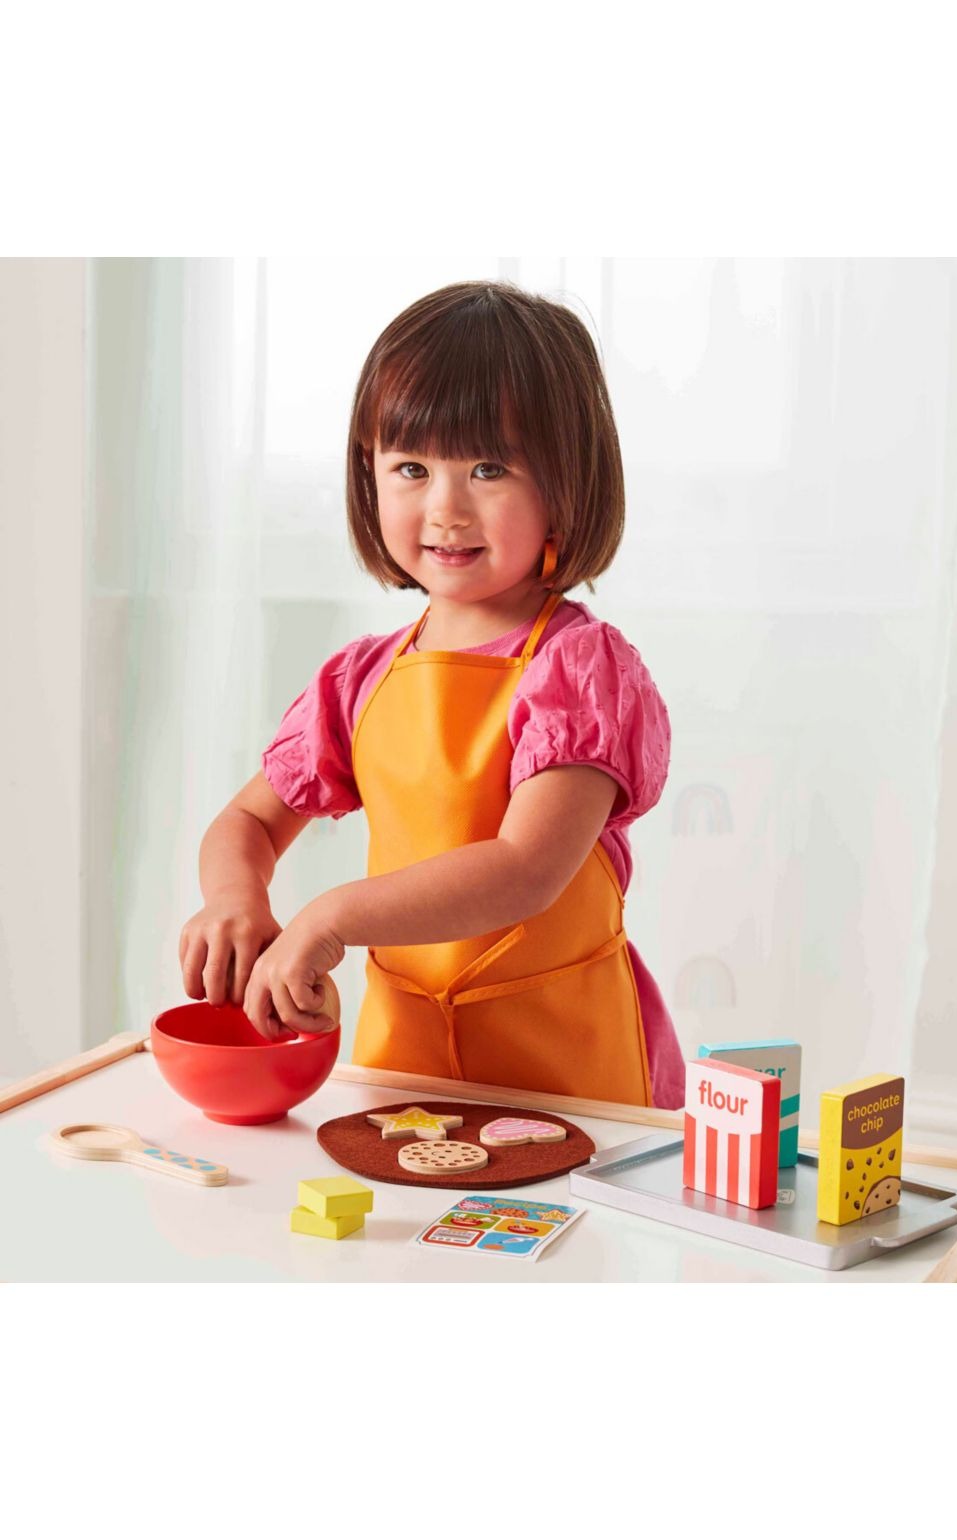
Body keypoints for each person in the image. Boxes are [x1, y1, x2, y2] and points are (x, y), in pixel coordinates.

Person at [179, 279, 686, 1108]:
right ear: (368, 476)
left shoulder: (580, 671)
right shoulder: (359, 679)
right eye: (411, 467)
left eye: (489, 467)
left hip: (566, 1079)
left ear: (566, 480)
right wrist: (236, 901)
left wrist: (333, 915)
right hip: (402, 1070)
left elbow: (525, 870)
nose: (446, 507)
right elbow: (246, 821)